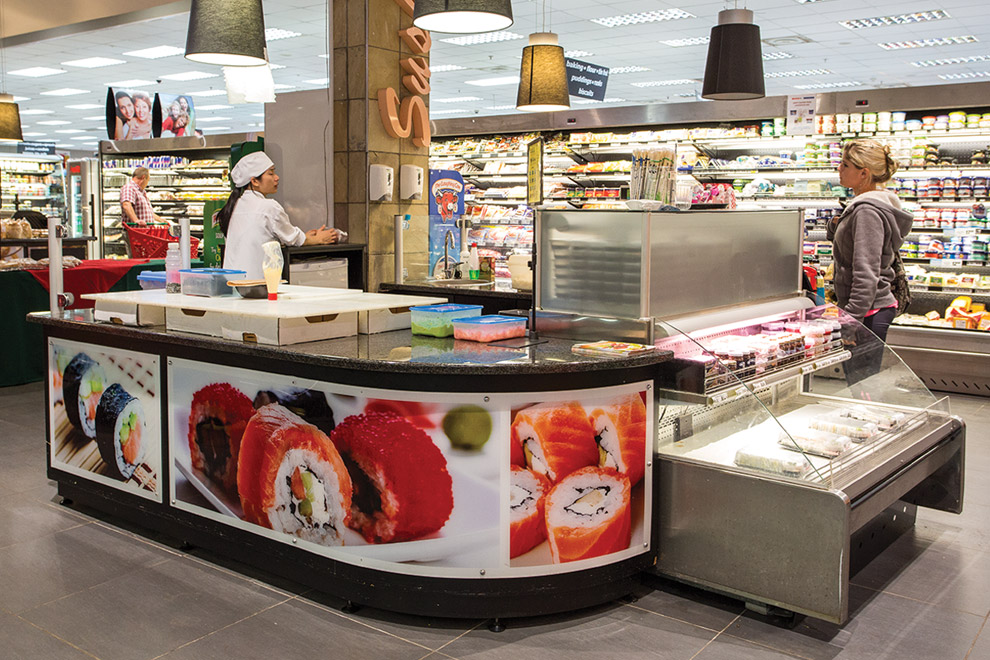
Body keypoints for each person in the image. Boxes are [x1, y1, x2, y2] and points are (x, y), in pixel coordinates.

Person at [829, 139, 912, 385]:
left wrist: (850, 323)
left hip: (867, 313)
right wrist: (837, 225)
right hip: (867, 310)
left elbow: (866, 274)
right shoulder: (867, 206)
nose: (839, 168)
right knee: (861, 386)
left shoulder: (867, 211)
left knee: (862, 389)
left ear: (863, 173)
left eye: (845, 165)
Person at [219, 152, 340, 279]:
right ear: (254, 181)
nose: (276, 178)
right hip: (255, 283)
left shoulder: (236, 205)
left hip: (231, 282)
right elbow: (292, 238)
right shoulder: (269, 207)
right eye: (270, 173)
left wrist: (304, 236)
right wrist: (319, 239)